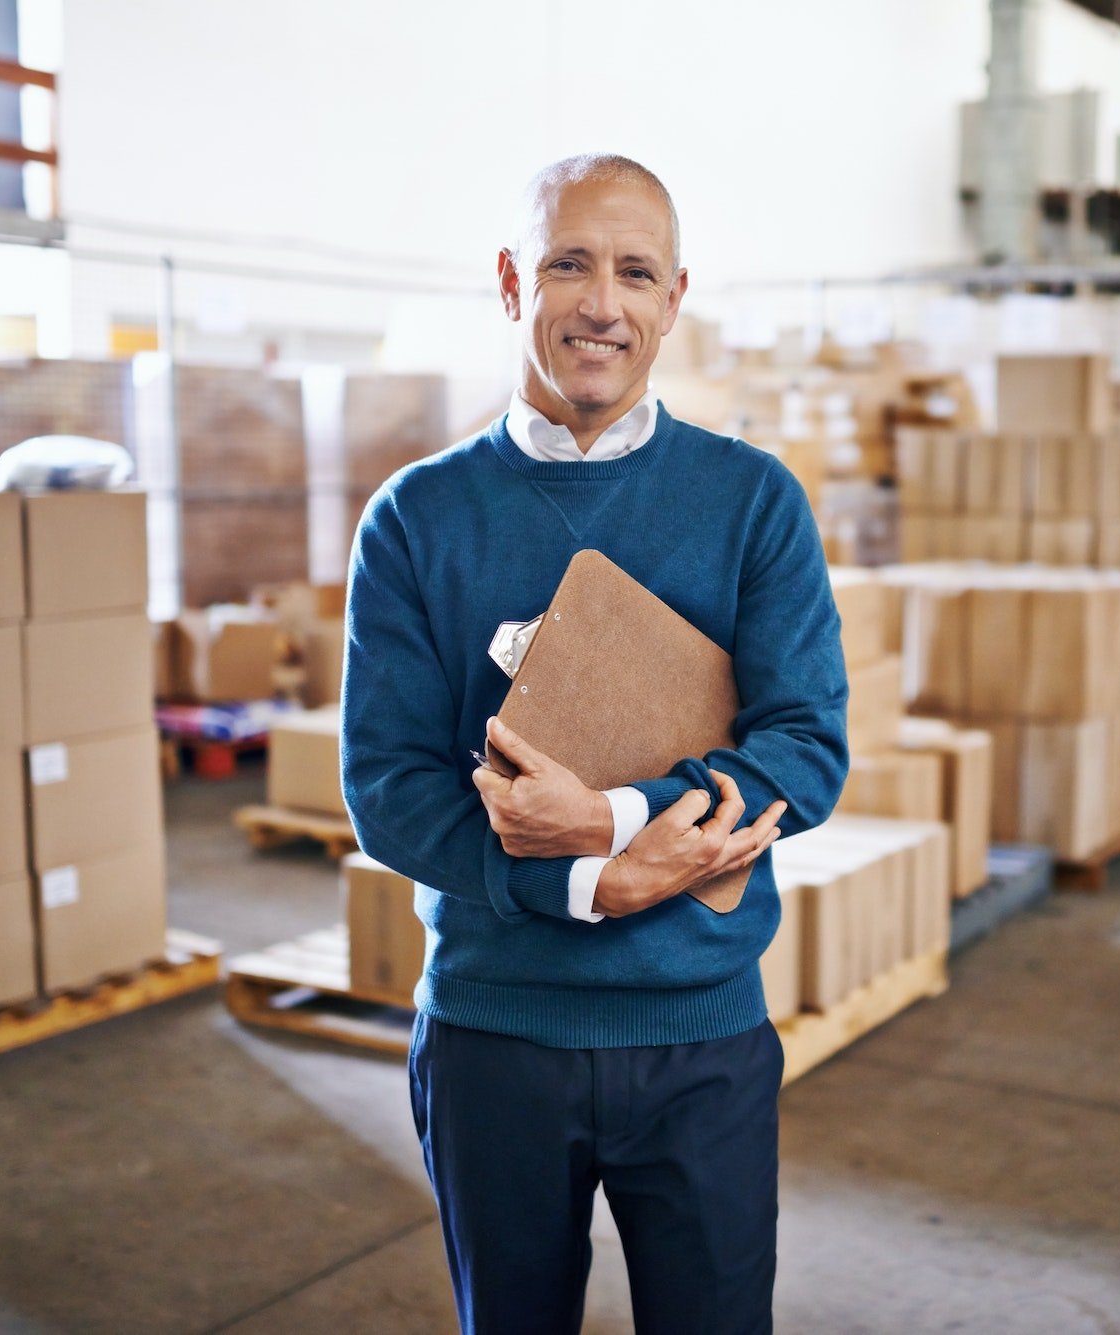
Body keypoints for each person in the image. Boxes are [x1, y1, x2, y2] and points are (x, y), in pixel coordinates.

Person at [341, 153, 850, 1335]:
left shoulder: (752, 501)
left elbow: (805, 747)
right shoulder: (416, 518)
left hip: (699, 1036)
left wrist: (615, 823)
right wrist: (586, 885)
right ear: (510, 281)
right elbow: (388, 789)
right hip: (492, 1038)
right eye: (568, 264)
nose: (602, 305)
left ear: (674, 298)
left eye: (635, 272)